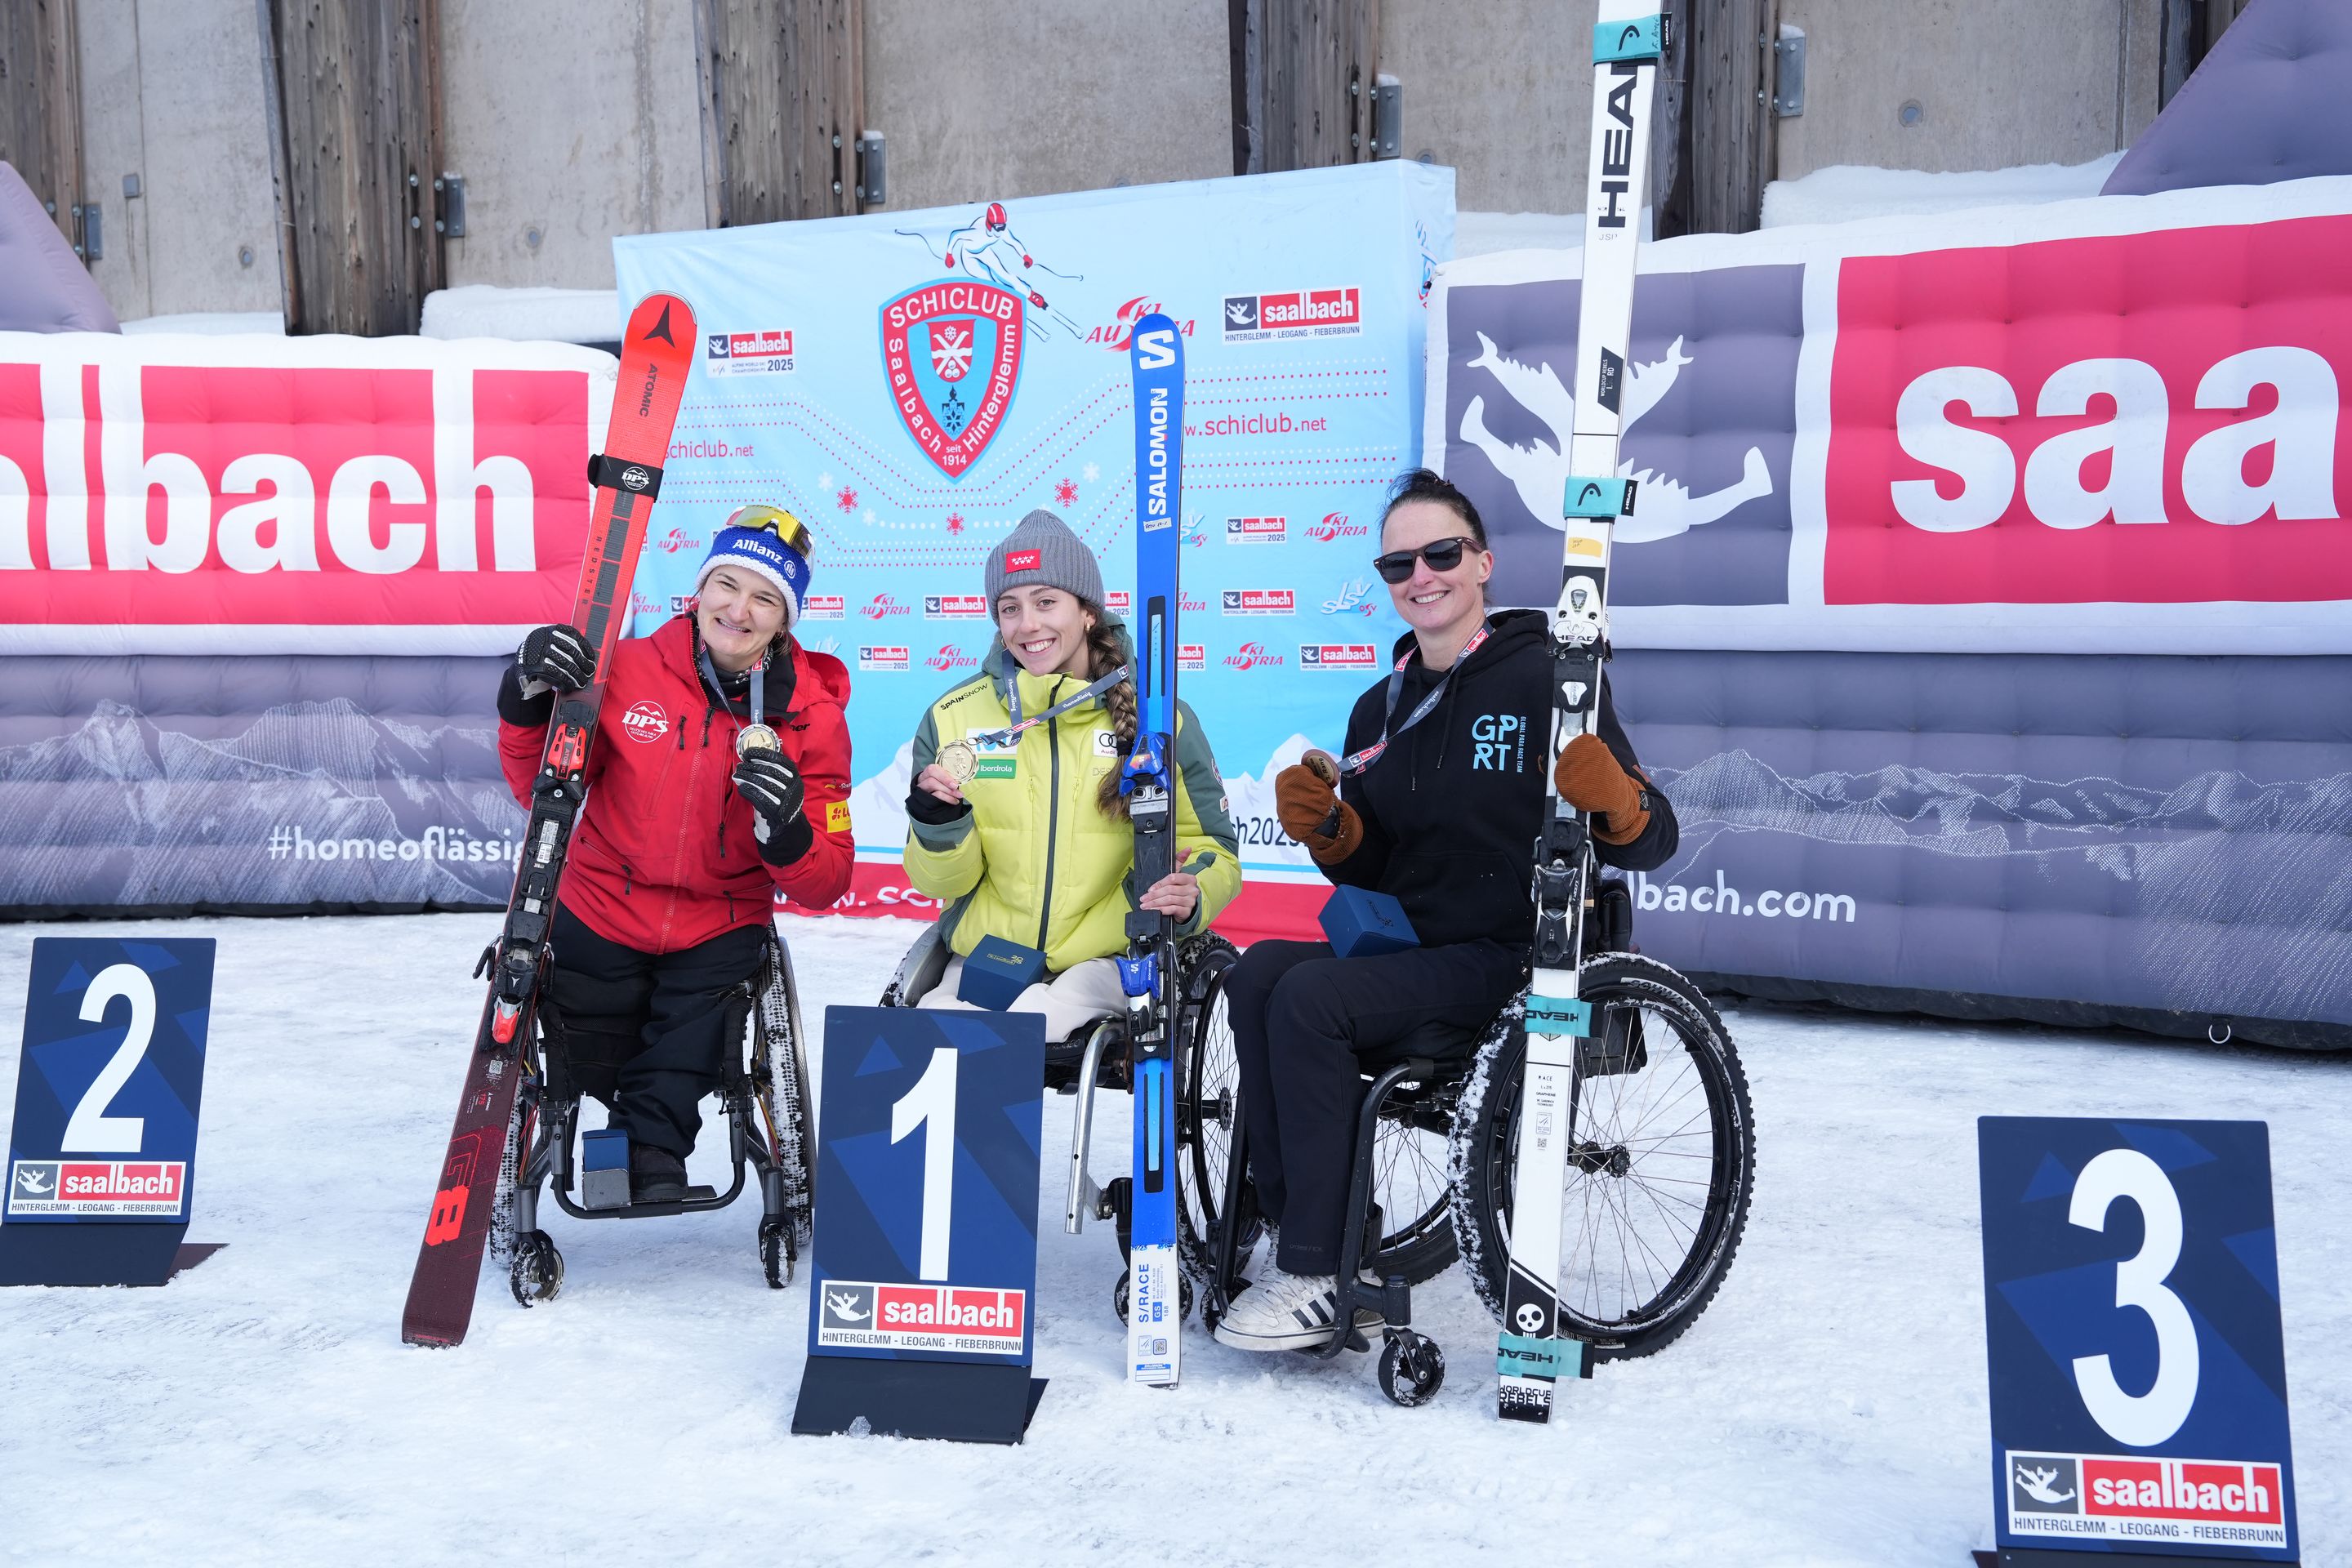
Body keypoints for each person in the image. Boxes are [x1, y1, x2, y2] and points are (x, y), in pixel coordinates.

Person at [1209, 469, 1680, 1352]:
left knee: (1312, 1000)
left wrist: (1618, 800)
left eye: (1441, 554)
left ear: (1483, 563)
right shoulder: (1376, 706)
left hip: (1512, 956)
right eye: (1398, 564)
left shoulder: (1551, 675)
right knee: (1261, 972)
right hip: (1413, 952)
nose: (1420, 576)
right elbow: (1382, 867)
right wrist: (1338, 836)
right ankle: (1300, 1224)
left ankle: (1317, 1271)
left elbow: (1651, 842)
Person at [496, 506, 853, 1202]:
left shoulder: (811, 713)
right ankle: (622, 1132)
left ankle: (649, 1149)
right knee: (583, 1037)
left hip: (718, 922)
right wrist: (525, 697)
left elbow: (824, 881)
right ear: (699, 588)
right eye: (728, 584)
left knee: (697, 1031)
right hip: (601, 905)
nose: (739, 610)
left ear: (787, 619)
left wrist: (786, 829)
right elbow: (535, 788)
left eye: (766, 598)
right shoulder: (625, 669)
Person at [902, 509, 1241, 1039]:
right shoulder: (954, 718)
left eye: (1045, 602)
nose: (1028, 625)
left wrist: (1192, 890)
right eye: (1010, 608)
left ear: (1087, 613)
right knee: (925, 1030)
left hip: (1110, 957)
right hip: (992, 957)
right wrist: (937, 823)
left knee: (1034, 1018)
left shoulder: (1160, 716)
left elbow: (1212, 847)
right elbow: (940, 882)